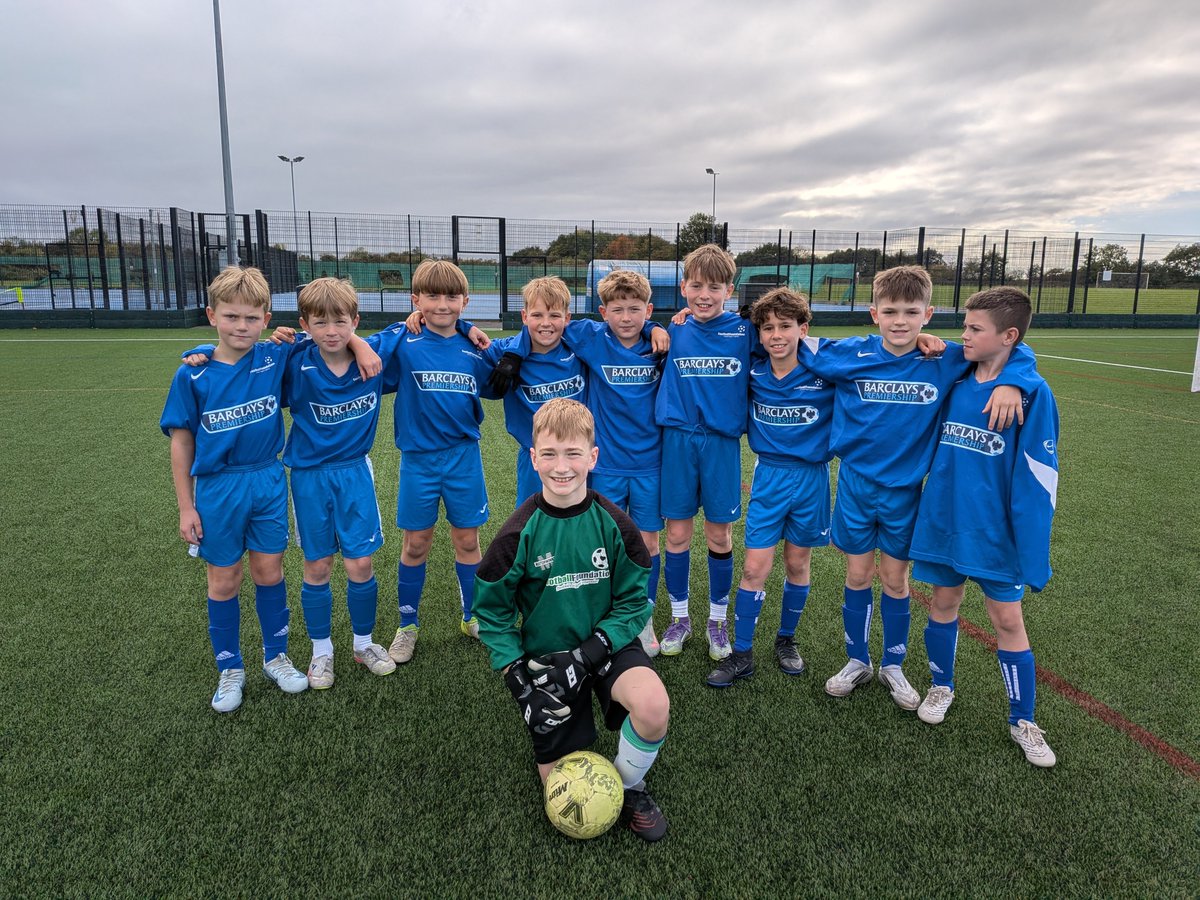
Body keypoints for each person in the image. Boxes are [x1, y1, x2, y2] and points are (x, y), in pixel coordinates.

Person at [800, 265, 1036, 710]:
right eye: (890, 312)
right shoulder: (848, 352)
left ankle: (893, 664)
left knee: (895, 579)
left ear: (928, 314)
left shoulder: (944, 358)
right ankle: (857, 660)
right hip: (854, 485)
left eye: (911, 312)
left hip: (905, 493)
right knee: (857, 575)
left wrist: (1013, 380)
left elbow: (1013, 346)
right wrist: (675, 326)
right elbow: (782, 338)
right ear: (874, 313)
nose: (900, 321)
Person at [162, 266, 374, 712]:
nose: (241, 326)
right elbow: (181, 443)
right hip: (218, 487)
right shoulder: (192, 375)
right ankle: (230, 668)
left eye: (251, 318)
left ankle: (275, 657)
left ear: (266, 318)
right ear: (211, 315)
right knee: (224, 579)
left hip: (268, 479)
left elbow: (330, 336)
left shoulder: (275, 356)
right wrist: (185, 507)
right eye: (231, 317)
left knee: (269, 572)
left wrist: (358, 341)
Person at [474, 399, 670, 841]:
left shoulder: (616, 526)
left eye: (573, 454)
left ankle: (629, 785)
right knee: (559, 787)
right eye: (549, 454)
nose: (561, 467)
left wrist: (589, 653)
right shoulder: (516, 535)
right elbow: (492, 614)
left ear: (592, 457)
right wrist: (519, 682)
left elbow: (634, 604)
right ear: (533, 458)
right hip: (549, 663)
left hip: (607, 645)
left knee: (653, 706)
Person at [909, 286, 1060, 767]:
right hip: (944, 520)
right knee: (943, 604)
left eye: (975, 328)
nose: (965, 335)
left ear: (1009, 335)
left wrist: (1016, 378)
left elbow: (1041, 473)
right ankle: (941, 686)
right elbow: (924, 348)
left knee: (1008, 621)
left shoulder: (1032, 394)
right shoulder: (956, 375)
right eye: (965, 326)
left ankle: (1023, 719)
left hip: (996, 532)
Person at [706, 288, 835, 687]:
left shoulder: (825, 369)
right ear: (758, 334)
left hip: (812, 479)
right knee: (754, 567)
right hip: (769, 478)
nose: (776, 335)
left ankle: (786, 640)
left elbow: (877, 354)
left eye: (785, 326)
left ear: (803, 329)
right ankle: (742, 653)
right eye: (767, 328)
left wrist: (921, 338)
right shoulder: (755, 371)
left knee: (797, 563)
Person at [376, 259, 499, 664]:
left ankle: (472, 616)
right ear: (416, 299)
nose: (442, 304)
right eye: (432, 296)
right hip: (419, 461)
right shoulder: (403, 341)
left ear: (465, 301)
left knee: (468, 541)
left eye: (451, 297)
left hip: (464, 458)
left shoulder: (475, 347)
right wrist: (403, 324)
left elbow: (503, 371)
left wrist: (468, 328)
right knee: (416, 544)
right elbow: (351, 345)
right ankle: (407, 625)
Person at [278, 277, 399, 687]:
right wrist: (201, 352)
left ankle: (363, 644)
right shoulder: (294, 360)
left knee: (360, 562)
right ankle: (321, 652)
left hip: (354, 472)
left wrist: (360, 344)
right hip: (309, 477)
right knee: (318, 565)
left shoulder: (375, 354)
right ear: (304, 324)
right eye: (320, 322)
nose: (331, 331)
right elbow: (241, 355)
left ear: (355, 321)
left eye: (341, 322)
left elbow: (420, 322)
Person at [654, 244, 751, 661]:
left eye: (714, 287)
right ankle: (680, 618)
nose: (704, 295)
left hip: (721, 444)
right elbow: (625, 328)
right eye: (696, 286)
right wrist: (656, 326)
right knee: (676, 534)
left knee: (719, 534)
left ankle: (717, 620)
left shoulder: (745, 331)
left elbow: (794, 340)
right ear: (683, 288)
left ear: (729, 290)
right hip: (677, 439)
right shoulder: (672, 330)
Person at [487, 277, 588, 507]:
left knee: (580, 518)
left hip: (578, 455)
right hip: (535, 457)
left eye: (554, 316)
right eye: (537, 315)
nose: (546, 323)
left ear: (567, 318)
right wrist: (465, 327)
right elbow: (462, 342)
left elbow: (618, 329)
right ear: (524, 316)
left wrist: (653, 329)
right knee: (532, 518)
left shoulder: (580, 348)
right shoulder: (506, 353)